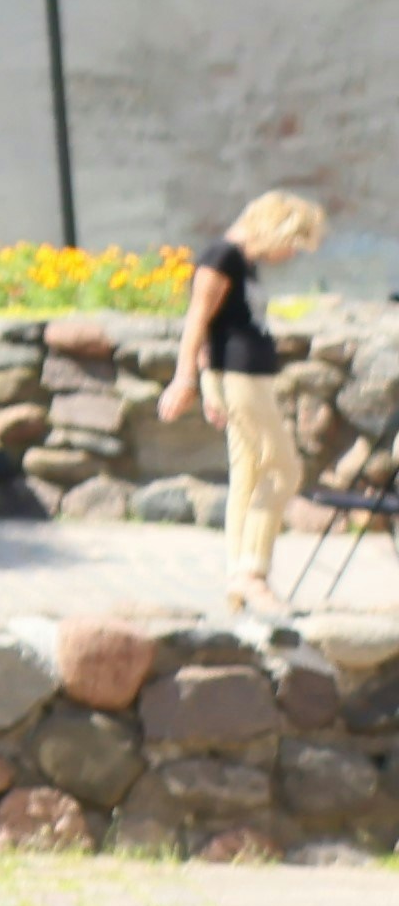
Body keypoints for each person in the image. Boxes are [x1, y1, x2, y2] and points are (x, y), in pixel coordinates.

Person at [192, 189, 332, 602]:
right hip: (240, 377)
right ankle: (252, 571)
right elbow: (197, 321)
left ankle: (238, 582)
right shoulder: (224, 256)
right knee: (283, 470)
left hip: (247, 375)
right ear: (275, 229)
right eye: (293, 242)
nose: (292, 254)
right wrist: (196, 381)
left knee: (249, 475)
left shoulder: (242, 262)